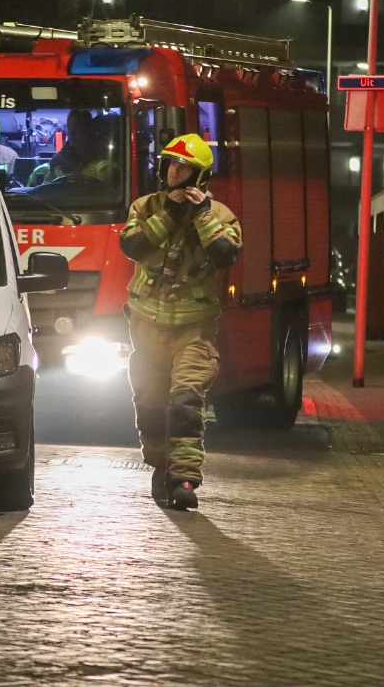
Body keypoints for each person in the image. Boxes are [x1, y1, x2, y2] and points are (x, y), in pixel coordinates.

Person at [118, 134, 241, 511]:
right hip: (147, 328)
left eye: (184, 167)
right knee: (151, 406)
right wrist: (170, 214)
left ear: (200, 177)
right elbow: (133, 246)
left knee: (186, 402)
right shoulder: (145, 206)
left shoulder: (219, 215)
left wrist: (201, 216)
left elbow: (225, 254)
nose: (175, 171)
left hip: (194, 330)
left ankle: (184, 479)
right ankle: (160, 465)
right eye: (170, 163)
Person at [48, 108, 115, 182]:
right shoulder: (57, 161)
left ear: (91, 131)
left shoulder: (106, 158)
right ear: (68, 131)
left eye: (83, 131)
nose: (79, 136)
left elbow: (115, 189)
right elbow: (46, 190)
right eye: (74, 131)